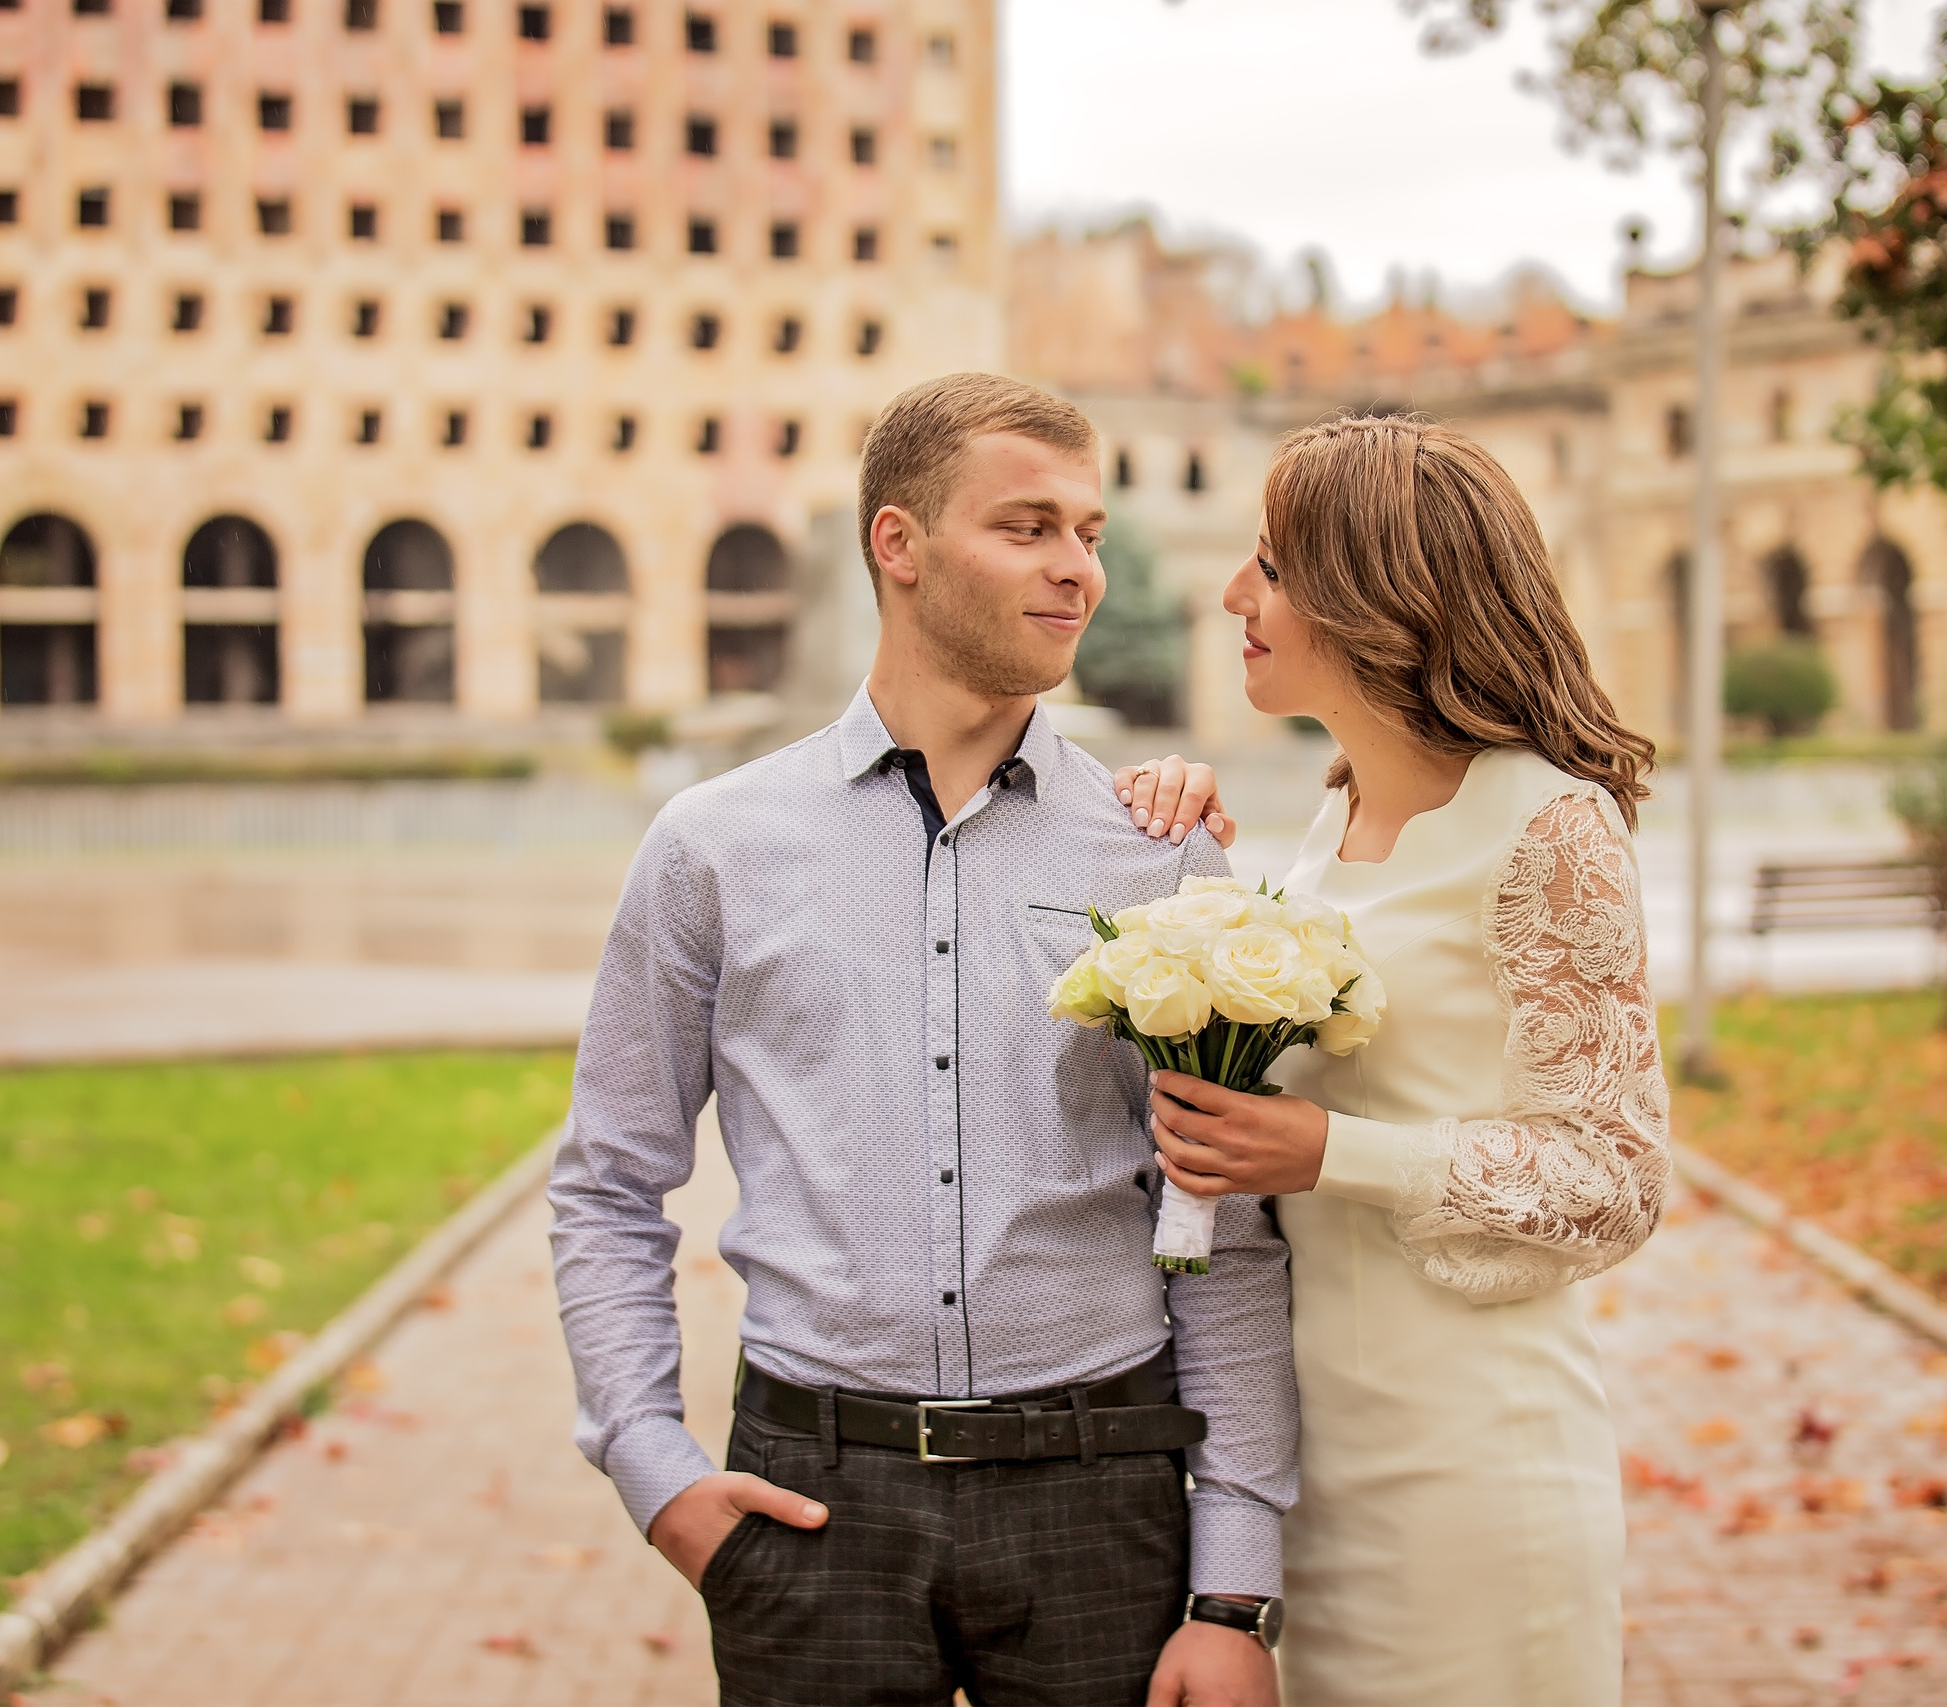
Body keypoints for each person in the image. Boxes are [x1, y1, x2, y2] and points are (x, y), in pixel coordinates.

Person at [549, 372, 1294, 1707]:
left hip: (1102, 1495)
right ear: (898, 546)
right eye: (1029, 529)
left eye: (1090, 532)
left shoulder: (1159, 852)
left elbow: (1222, 1223)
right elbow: (609, 1180)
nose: (1078, 571)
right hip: (809, 1504)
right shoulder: (713, 849)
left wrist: (1234, 1588)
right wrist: (653, 1472)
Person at [1117, 415, 1672, 1705]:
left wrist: (1328, 1155)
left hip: (1475, 1473)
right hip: (1318, 1477)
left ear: (1378, 594)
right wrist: (1154, 843)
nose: (1231, 595)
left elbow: (1617, 1177)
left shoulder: (1551, 824)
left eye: (1273, 566)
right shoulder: (1327, 815)